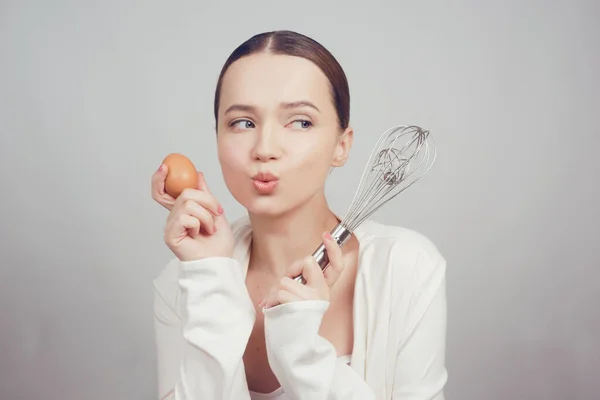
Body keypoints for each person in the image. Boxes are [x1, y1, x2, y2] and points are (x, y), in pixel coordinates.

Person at [151, 30, 448, 400]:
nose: (265, 148)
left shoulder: (407, 269)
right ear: (217, 137)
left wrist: (299, 346)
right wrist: (210, 275)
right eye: (243, 122)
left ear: (342, 146)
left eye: (300, 122)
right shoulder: (183, 281)